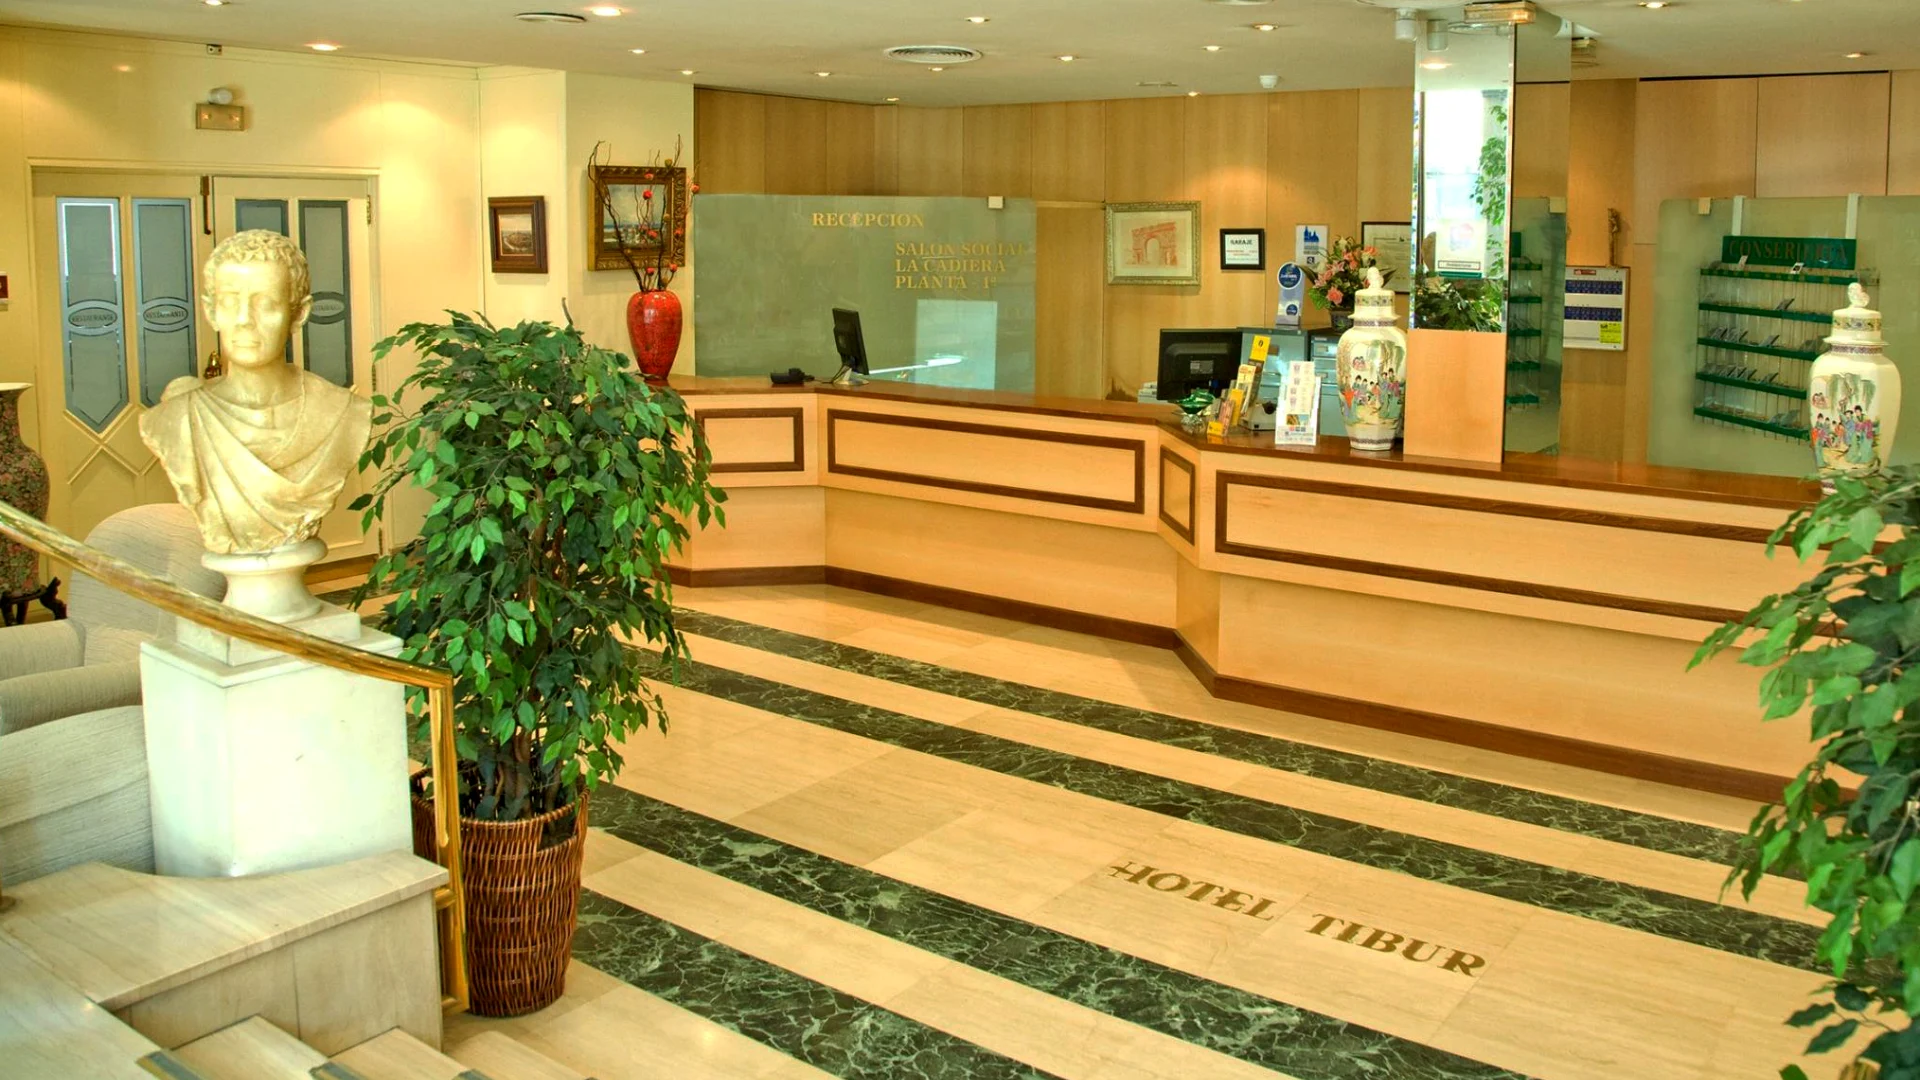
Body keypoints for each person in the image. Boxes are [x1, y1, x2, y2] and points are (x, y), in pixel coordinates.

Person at [139, 230, 372, 555]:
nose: (244, 320)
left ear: (299, 313)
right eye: (230, 303)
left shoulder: (344, 413)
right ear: (211, 312)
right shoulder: (177, 418)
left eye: (266, 304)